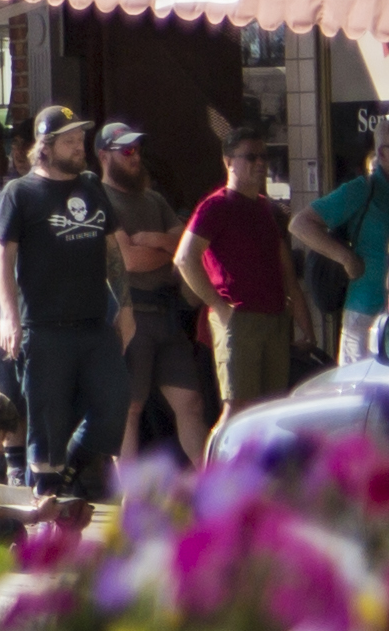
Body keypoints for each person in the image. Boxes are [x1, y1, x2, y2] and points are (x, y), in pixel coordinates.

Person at [0, 108, 125, 498]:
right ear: (45, 148)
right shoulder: (19, 194)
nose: (80, 148)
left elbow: (112, 251)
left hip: (95, 323)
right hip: (43, 328)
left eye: (81, 140)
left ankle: (67, 475)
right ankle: (45, 506)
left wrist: (124, 306)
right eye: (70, 142)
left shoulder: (92, 186)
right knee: (46, 421)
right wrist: (8, 315)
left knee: (113, 408)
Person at [179, 134, 306, 421]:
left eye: (264, 157)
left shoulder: (266, 208)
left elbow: (286, 273)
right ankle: (219, 466)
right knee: (237, 409)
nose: (260, 163)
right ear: (228, 162)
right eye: (251, 157)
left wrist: (304, 325)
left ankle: (264, 466)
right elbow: (185, 258)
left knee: (272, 408)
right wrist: (219, 306)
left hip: (274, 318)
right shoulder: (215, 206)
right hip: (239, 319)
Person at [110, 149, 216, 470]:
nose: (135, 157)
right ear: (104, 155)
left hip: (166, 315)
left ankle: (207, 490)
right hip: (129, 314)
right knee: (129, 411)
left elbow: (185, 245)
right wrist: (166, 250)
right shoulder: (98, 199)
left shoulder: (155, 200)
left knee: (191, 403)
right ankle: (128, 501)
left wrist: (155, 240)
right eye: (125, 151)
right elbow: (129, 259)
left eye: (137, 150)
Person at [307, 119, 384, 367]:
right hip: (366, 310)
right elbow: (301, 223)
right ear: (383, 153)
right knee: (360, 397)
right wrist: (345, 257)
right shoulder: (362, 189)